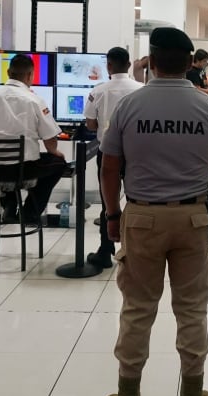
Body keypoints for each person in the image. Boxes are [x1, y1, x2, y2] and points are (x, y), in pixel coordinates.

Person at [99, 27, 208, 396]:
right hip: (194, 218)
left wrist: (111, 215)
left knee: (138, 310)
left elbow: (108, 167)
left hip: (141, 217)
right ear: (191, 62)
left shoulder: (129, 105)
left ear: (152, 62)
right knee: (192, 310)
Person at [0, 54, 66, 222]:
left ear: (8, 72)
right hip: (22, 170)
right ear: (31, 75)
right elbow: (50, 139)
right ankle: (30, 213)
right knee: (59, 163)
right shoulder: (34, 100)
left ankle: (9, 204)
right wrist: (54, 151)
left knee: (8, 163)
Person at [83, 47, 143, 269]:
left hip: (107, 153)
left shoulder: (98, 91)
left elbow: (90, 124)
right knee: (137, 200)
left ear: (108, 66)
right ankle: (135, 248)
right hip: (137, 153)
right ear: (128, 65)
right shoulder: (141, 90)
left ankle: (105, 249)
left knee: (109, 200)